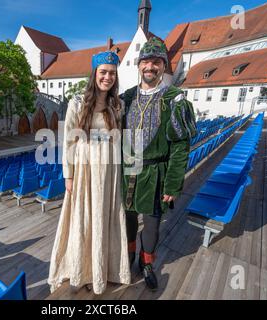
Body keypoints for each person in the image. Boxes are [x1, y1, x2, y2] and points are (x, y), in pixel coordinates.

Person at [48, 51, 131, 295]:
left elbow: (120, 139)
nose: (107, 77)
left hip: (109, 171)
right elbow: (70, 142)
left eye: (112, 73)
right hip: (85, 170)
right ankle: (82, 269)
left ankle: (106, 269)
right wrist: (68, 175)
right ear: (94, 73)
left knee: (106, 218)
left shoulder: (118, 105)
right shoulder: (76, 103)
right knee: (84, 219)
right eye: (103, 72)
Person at [121, 38, 197, 291]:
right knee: (129, 220)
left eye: (156, 62)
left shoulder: (175, 100)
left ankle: (147, 262)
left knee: (152, 223)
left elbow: (180, 147)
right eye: (146, 61)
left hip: (155, 172)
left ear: (163, 66)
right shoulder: (126, 98)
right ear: (139, 65)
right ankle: (129, 256)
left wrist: (173, 183)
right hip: (128, 170)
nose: (150, 67)